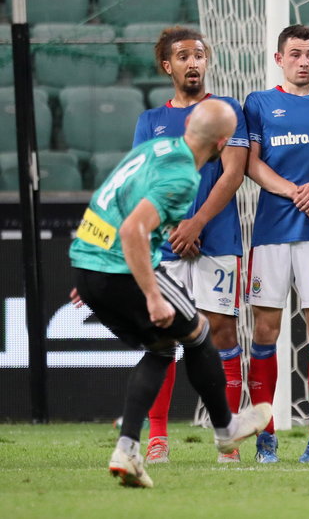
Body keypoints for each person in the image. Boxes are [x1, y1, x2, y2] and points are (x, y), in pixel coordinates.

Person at [70, 99, 271, 488]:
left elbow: (110, 197)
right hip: (120, 265)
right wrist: (153, 295)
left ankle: (127, 449)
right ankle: (226, 429)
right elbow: (132, 231)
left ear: (190, 122)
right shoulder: (184, 177)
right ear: (225, 142)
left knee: (161, 347)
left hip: (88, 259)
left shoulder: (154, 148)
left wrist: (88, 264)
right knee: (196, 333)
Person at [133, 27, 250, 464]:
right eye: (183, 56)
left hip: (217, 239)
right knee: (163, 336)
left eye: (199, 55)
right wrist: (174, 225)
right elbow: (145, 180)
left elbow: (233, 173)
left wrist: (196, 221)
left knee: (221, 334)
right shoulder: (151, 121)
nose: (193, 62)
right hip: (166, 245)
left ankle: (227, 440)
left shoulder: (227, 112)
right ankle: (158, 439)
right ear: (168, 66)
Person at [242, 25, 309, 464]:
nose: (303, 61)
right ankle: (265, 435)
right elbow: (251, 164)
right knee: (265, 332)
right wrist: (296, 193)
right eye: (296, 53)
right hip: (270, 233)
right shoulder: (259, 103)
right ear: (278, 58)